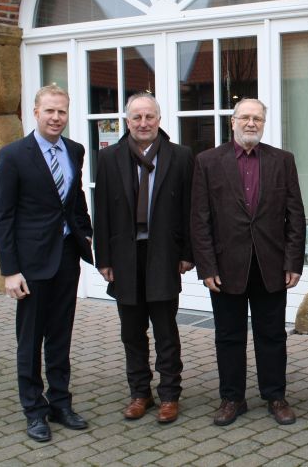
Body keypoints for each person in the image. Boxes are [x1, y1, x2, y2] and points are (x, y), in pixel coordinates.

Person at [190, 98, 306, 427]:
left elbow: (295, 215)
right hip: (225, 268)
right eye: (245, 117)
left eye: (257, 118)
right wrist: (207, 267)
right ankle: (232, 398)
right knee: (229, 335)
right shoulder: (207, 161)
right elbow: (199, 219)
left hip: (270, 265)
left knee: (272, 335)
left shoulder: (282, 161)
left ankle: (275, 396)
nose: (251, 123)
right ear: (233, 122)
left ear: (263, 123)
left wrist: (293, 262)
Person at [0, 85, 94, 443]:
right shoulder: (13, 155)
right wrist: (10, 270)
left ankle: (60, 402)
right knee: (30, 339)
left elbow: (74, 200)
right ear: (35, 112)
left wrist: (87, 235)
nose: (56, 118)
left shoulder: (74, 150)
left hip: (66, 257)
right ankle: (34, 410)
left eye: (62, 112)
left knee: (61, 336)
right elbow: (3, 216)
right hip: (31, 264)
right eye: (50, 111)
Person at [94, 93, 194, 424]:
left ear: (159, 119)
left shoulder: (180, 156)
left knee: (166, 331)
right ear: (127, 121)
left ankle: (169, 395)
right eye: (136, 117)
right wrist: (103, 258)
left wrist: (187, 253)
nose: (143, 123)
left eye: (149, 116)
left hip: (164, 255)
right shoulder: (109, 158)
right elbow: (103, 211)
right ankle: (140, 393)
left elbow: (189, 209)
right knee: (131, 331)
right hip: (124, 257)